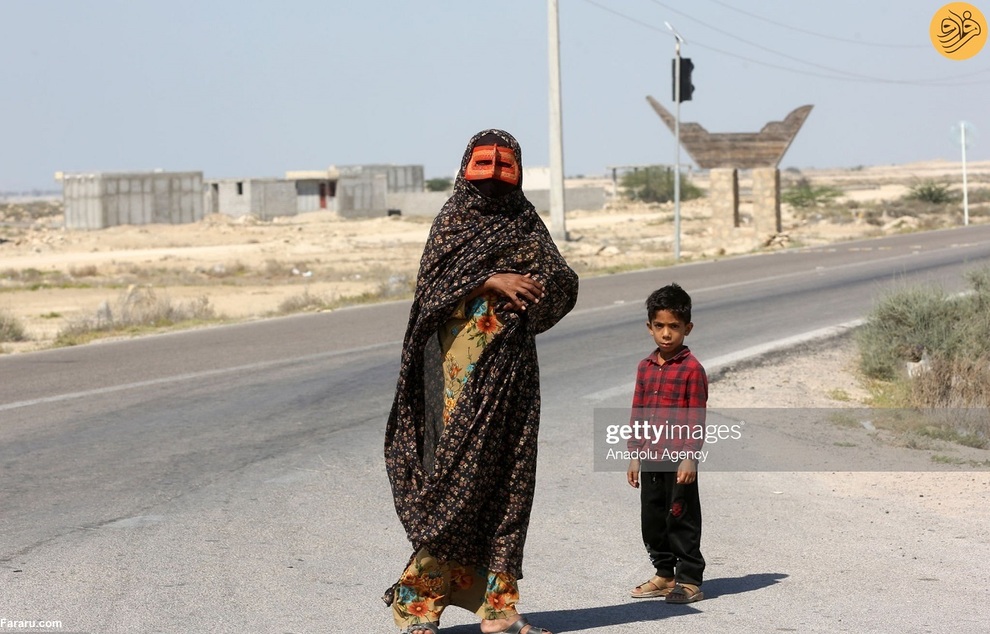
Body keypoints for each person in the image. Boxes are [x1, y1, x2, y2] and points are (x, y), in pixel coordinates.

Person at [383, 129, 579, 634]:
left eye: (503, 166)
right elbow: (430, 295)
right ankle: (417, 603)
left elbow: (562, 282)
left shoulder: (524, 220)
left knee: (509, 484)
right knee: (460, 484)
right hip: (455, 378)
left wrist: (533, 282)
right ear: (468, 167)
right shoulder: (453, 221)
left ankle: (499, 609)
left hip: (512, 372)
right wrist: (492, 280)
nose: (492, 177)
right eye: (484, 166)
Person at [626, 283, 708, 604]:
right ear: (649, 328)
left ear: (687, 328)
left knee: (680, 516)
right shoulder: (645, 368)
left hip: (679, 459)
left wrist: (689, 457)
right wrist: (634, 455)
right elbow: (638, 412)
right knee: (653, 517)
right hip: (650, 457)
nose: (666, 334)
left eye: (674, 327)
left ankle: (689, 578)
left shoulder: (692, 370)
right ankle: (664, 574)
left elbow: (696, 417)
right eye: (659, 326)